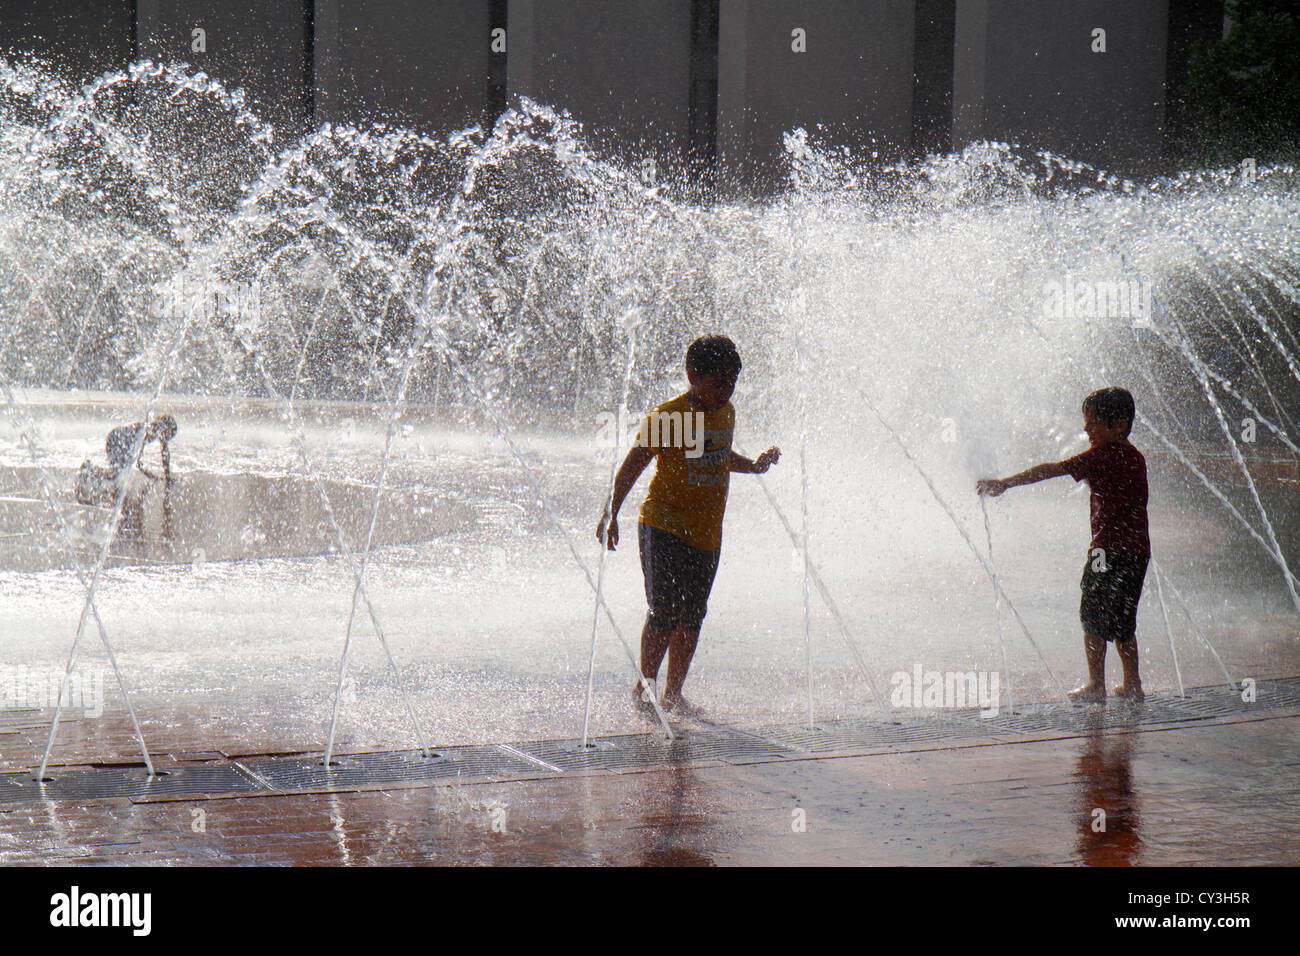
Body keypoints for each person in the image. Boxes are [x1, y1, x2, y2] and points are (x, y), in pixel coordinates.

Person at [597, 335, 780, 712]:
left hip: (707, 533)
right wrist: (610, 511)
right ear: (692, 375)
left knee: (692, 618)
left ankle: (673, 694)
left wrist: (754, 466)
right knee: (664, 613)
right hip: (663, 525)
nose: (726, 392)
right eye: (718, 384)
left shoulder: (725, 413)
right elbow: (634, 464)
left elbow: (717, 454)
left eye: (732, 383)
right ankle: (644, 688)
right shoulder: (670, 416)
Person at [976, 387, 1149, 703]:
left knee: (1092, 615)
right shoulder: (1135, 457)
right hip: (1137, 553)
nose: (1086, 429)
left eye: (1093, 423)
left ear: (1119, 425)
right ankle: (1132, 684)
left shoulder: (1103, 455)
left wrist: (1005, 483)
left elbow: (1052, 470)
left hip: (1104, 551)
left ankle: (1096, 685)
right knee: (1125, 620)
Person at [77, 414, 178, 540]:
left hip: (118, 437)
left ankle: (91, 473)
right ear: (165, 428)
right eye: (168, 435)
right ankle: (89, 470)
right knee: (117, 474)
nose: (166, 439)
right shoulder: (148, 430)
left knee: (118, 474)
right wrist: (157, 477)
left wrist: (166, 476)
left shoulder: (154, 429)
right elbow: (138, 462)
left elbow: (164, 453)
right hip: (117, 440)